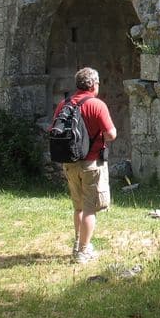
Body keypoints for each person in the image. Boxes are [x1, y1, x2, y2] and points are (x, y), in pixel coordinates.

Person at [50, 67, 116, 264]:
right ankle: (83, 251)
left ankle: (78, 243)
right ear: (94, 84)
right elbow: (111, 134)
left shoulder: (64, 103)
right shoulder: (97, 105)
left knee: (78, 207)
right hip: (91, 162)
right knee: (89, 209)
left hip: (69, 162)